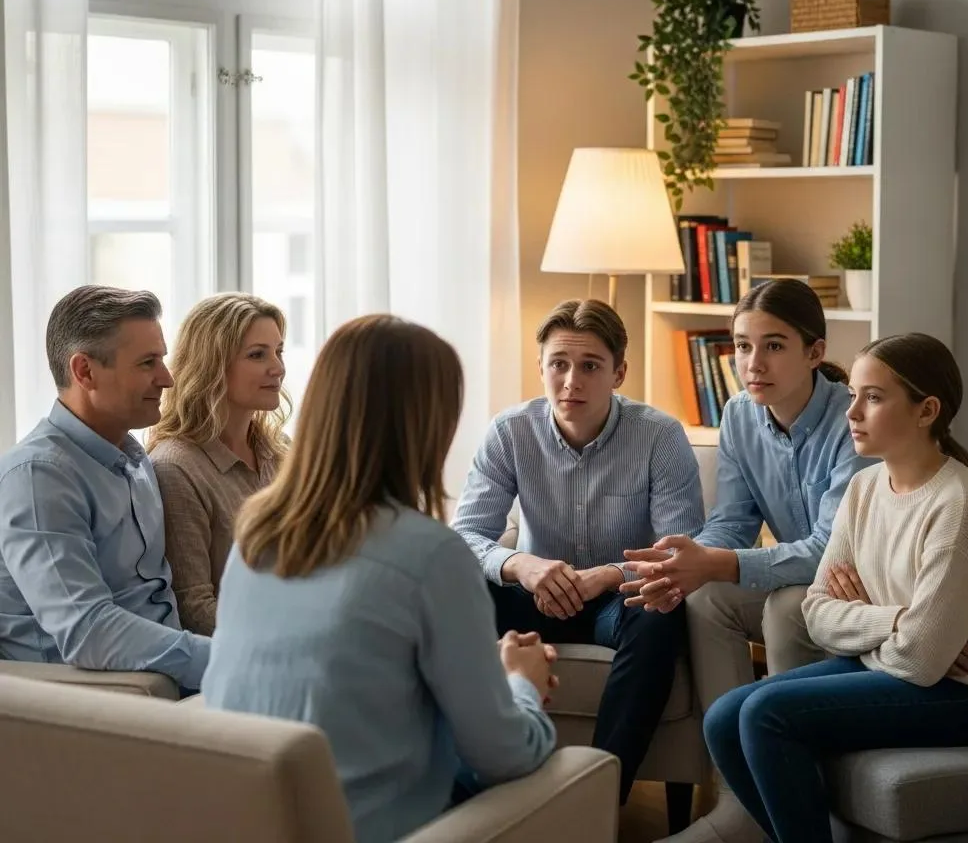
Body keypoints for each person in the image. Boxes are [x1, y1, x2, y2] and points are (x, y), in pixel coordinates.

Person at [202, 315, 557, 843]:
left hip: (243, 819)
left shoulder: (257, 531)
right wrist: (521, 683)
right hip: (371, 828)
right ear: (426, 425)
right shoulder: (431, 554)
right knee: (564, 763)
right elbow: (502, 755)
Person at [699, 332, 968, 843]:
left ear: (926, 410)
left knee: (765, 713)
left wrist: (881, 627)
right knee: (722, 718)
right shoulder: (865, 487)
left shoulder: (961, 508)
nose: (852, 412)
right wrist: (894, 619)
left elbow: (920, 660)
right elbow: (817, 613)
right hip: (897, 664)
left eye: (872, 398)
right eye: (852, 395)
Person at [622, 279, 876, 843]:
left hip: (863, 588)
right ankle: (739, 798)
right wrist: (686, 561)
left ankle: (796, 793)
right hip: (804, 579)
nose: (752, 363)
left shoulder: (854, 421)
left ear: (815, 351)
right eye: (741, 346)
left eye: (774, 345)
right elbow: (732, 525)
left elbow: (828, 552)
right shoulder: (739, 415)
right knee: (705, 596)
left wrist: (717, 562)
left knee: (786, 606)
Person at [451, 297, 704, 805]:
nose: (572, 382)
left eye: (590, 366)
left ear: (619, 372)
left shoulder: (660, 436)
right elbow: (464, 535)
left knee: (660, 609)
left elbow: (678, 552)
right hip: (534, 599)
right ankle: (473, 786)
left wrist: (606, 575)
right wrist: (521, 564)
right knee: (456, 590)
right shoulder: (509, 432)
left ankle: (600, 799)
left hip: (618, 604)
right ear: (540, 367)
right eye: (558, 365)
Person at [0, 285, 210, 693]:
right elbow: (88, 630)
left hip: (165, 687)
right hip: (91, 706)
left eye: (162, 359)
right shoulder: (39, 476)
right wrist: (223, 663)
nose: (167, 378)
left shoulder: (134, 457)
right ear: (85, 371)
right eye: (148, 363)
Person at [148, 293, 289, 635]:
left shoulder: (282, 451)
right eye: (258, 355)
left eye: (279, 351)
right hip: (248, 658)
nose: (279, 368)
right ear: (211, 364)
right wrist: (291, 641)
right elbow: (195, 610)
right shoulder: (175, 468)